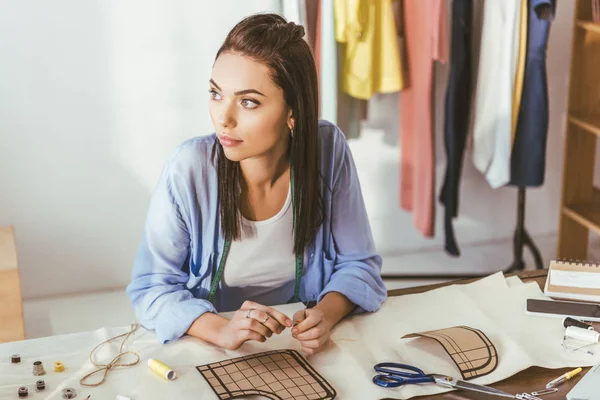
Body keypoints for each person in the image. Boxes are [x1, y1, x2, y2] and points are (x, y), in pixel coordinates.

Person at [126, 13, 386, 354]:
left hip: (300, 345)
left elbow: (360, 264)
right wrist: (221, 330)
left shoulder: (327, 151)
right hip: (217, 344)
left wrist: (325, 314)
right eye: (216, 94)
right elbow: (151, 287)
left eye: (248, 102)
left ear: (293, 111)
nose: (224, 118)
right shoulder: (189, 168)